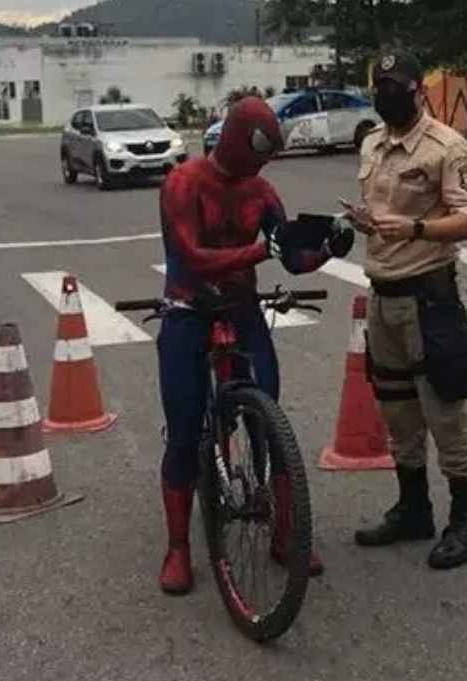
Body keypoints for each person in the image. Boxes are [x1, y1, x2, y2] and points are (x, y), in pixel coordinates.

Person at [155, 97, 352, 594]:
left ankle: (286, 532)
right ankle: (178, 546)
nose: (263, 163)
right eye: (259, 151)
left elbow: (292, 259)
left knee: (269, 420)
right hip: (188, 312)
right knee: (182, 429)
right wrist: (267, 247)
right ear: (238, 139)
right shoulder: (183, 182)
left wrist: (328, 246)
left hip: (242, 312)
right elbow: (192, 257)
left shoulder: (261, 191)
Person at [343, 51, 467, 570]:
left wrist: (419, 229)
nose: (386, 95)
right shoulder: (373, 143)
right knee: (397, 410)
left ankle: (466, 518)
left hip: (429, 297)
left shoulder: (446, 147)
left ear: (418, 91)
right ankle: (413, 508)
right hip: (383, 295)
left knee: (445, 409)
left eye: (396, 86)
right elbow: (386, 214)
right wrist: (367, 222)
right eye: (379, 86)